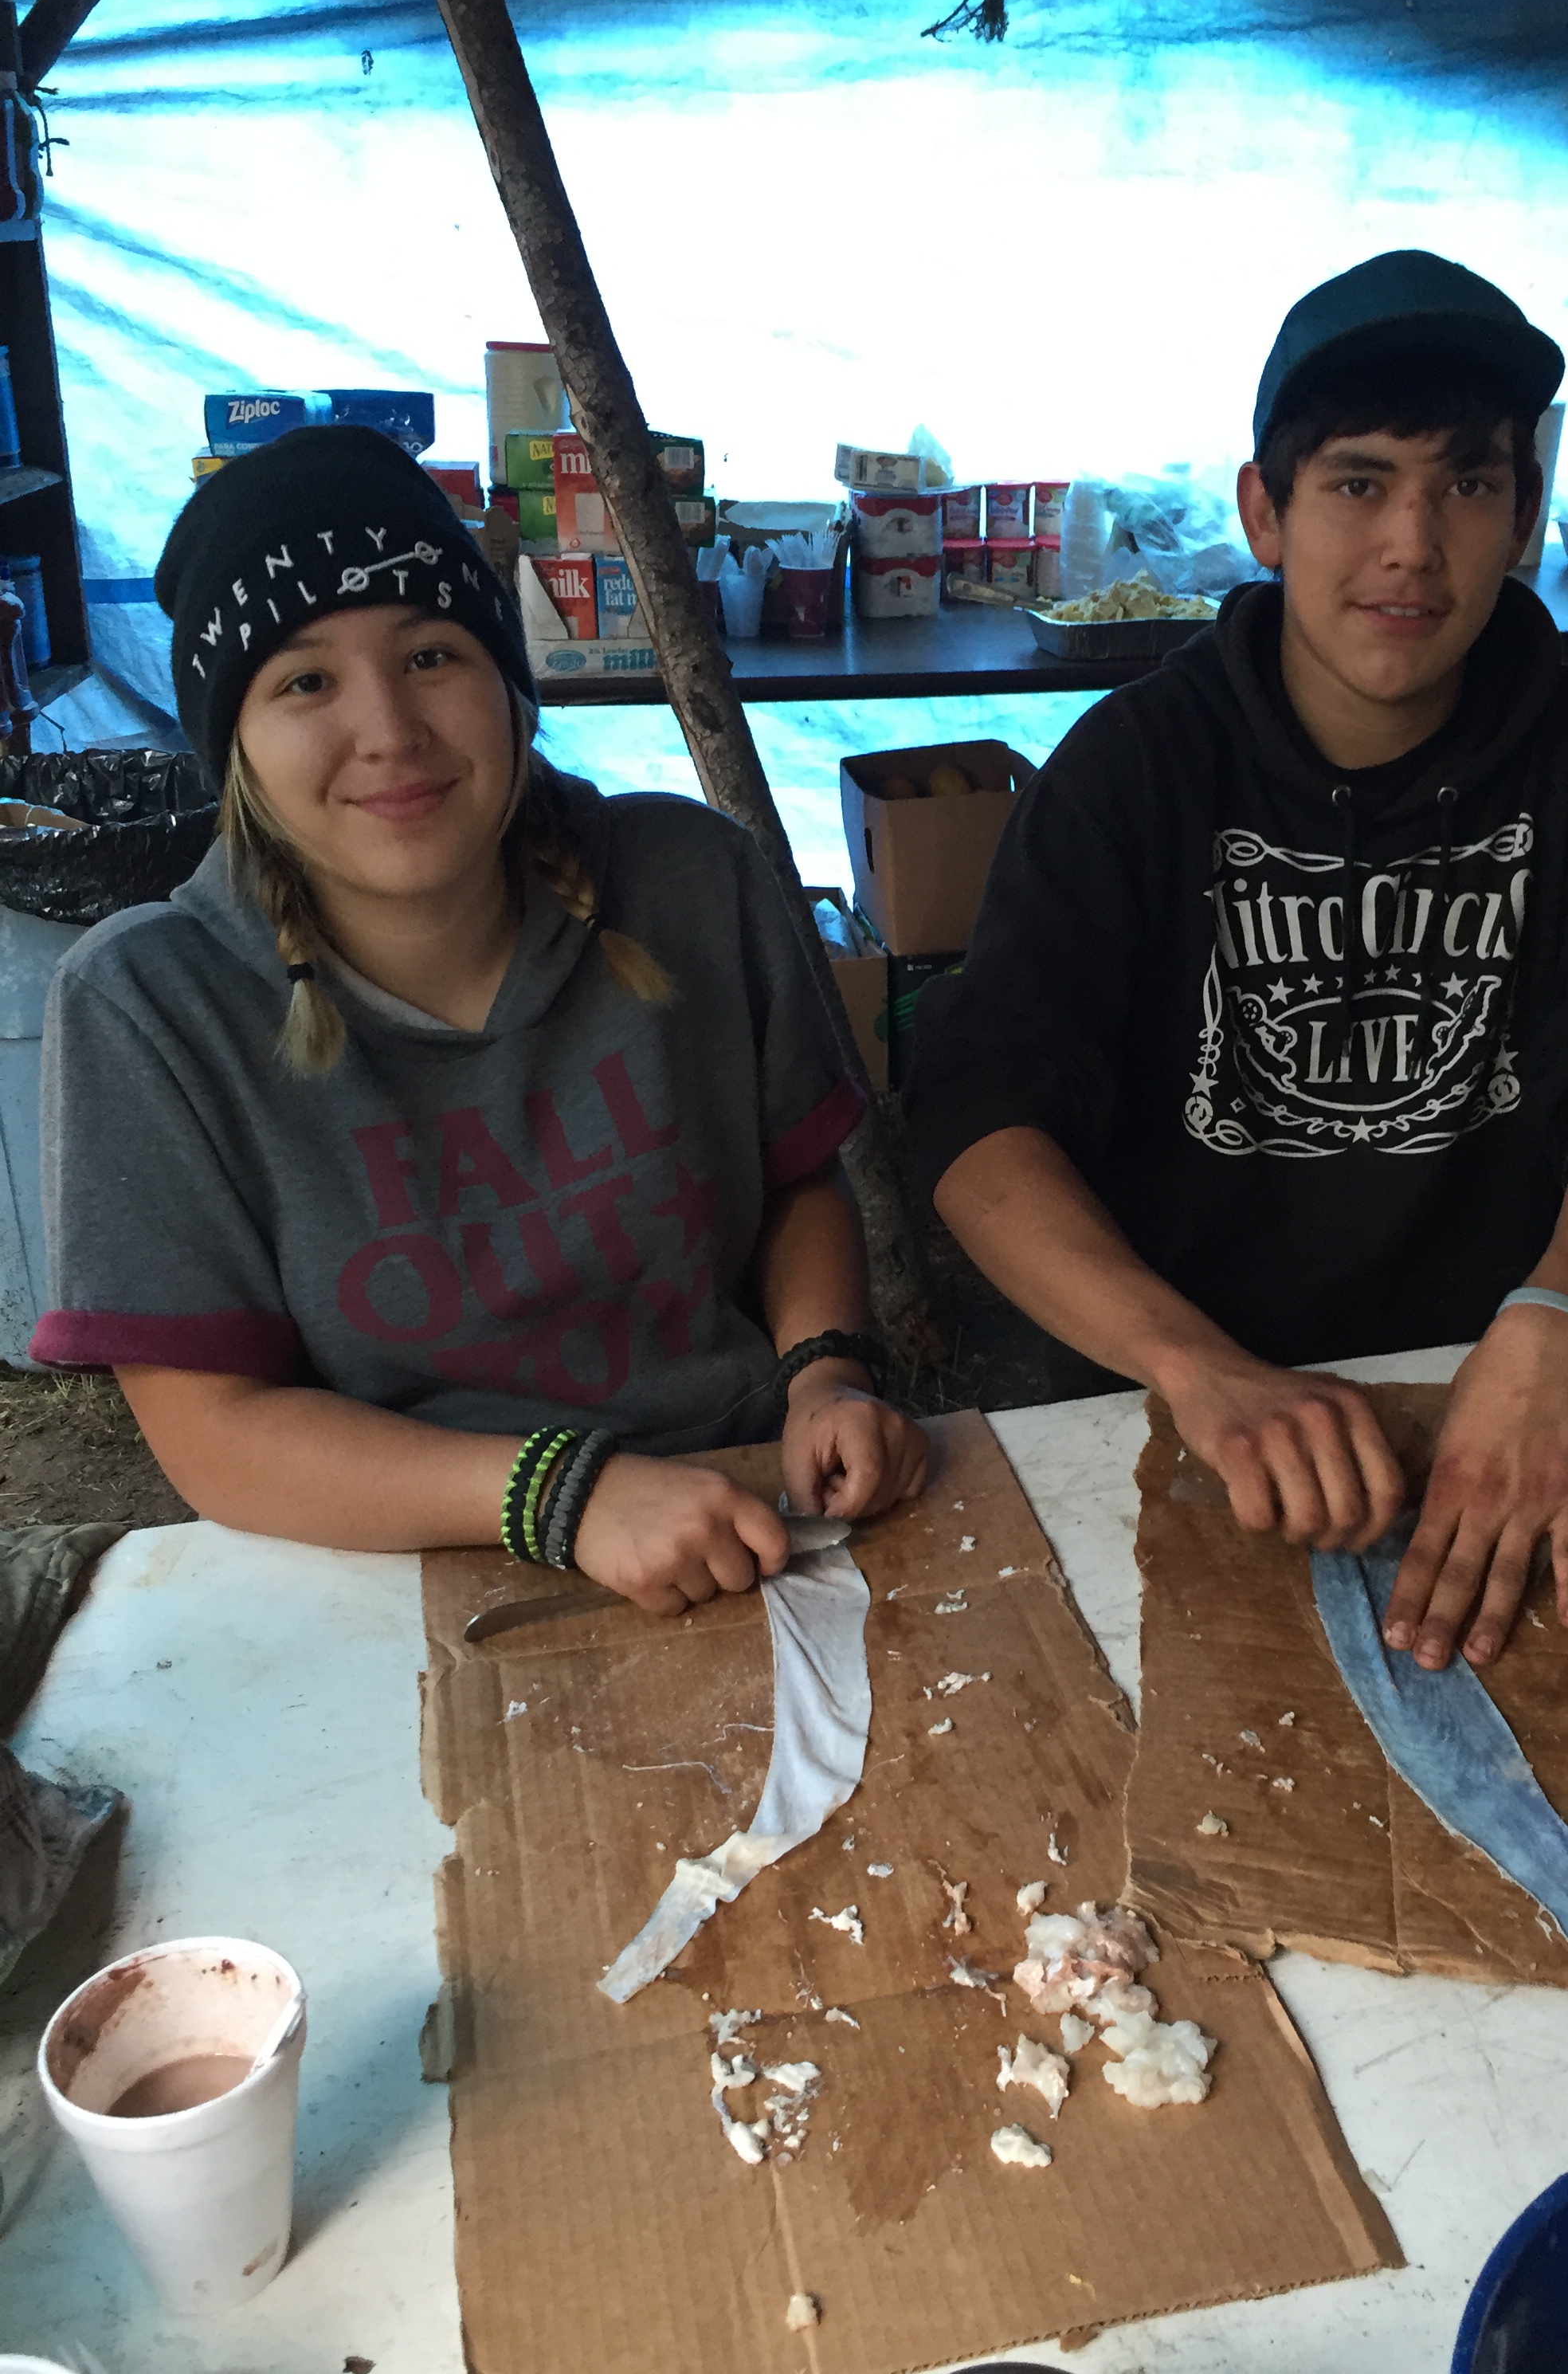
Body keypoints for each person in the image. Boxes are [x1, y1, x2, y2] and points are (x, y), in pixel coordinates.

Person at [904, 250, 1568, 1674]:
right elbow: (977, 1114)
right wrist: (1193, 1366)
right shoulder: (1132, 768)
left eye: (1467, 484)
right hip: (1181, 1394)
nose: (1413, 544)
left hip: (1507, 1379)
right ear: (1265, 513)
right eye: (1360, 482)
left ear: (1525, 517)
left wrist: (1559, 1325)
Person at [31, 426, 925, 1612]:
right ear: (234, 745)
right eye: (304, 682)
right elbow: (214, 1430)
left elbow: (796, 1182)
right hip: (394, 1559)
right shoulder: (148, 1007)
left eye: (431, 655)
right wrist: (568, 1497)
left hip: (746, 1501)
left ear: (511, 687)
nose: (391, 733)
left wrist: (826, 1373)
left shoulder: (692, 879)